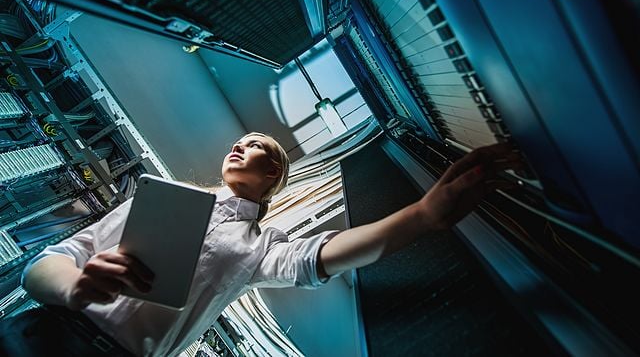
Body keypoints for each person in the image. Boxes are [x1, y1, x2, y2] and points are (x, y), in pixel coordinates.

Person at [0, 132, 521, 356]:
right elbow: (46, 264)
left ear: (272, 172)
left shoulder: (260, 247)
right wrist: (72, 288)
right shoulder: (166, 197)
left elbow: (327, 255)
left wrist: (423, 216)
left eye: (254, 146)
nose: (239, 145)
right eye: (239, 140)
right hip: (36, 330)